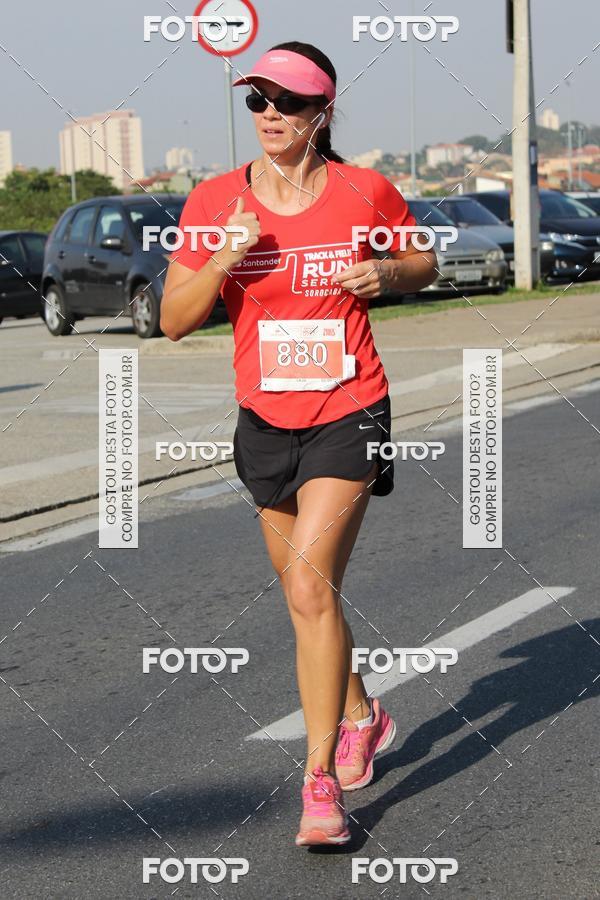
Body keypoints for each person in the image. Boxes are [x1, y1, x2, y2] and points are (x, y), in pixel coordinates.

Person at [160, 41, 437, 847]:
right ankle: (362, 712)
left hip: (351, 407)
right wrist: (224, 256)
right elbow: (176, 321)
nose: (270, 114)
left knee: (312, 589)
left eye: (287, 101)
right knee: (301, 593)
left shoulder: (363, 190)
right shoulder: (216, 200)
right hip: (264, 417)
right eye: (257, 101)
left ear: (323, 112)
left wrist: (387, 279)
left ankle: (319, 787)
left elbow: (420, 259)